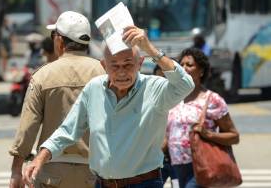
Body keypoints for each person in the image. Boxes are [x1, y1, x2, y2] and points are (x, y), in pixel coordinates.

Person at [23, 25, 195, 188]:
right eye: (115, 65)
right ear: (104, 66)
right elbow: (68, 130)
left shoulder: (155, 88)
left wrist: (150, 49)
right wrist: (40, 158)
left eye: (128, 64)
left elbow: (185, 84)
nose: (121, 72)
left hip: (144, 183)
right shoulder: (94, 88)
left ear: (140, 63)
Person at [9, 11, 105, 188]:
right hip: (96, 171)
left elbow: (27, 127)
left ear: (59, 40)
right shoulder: (104, 73)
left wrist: (16, 171)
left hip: (51, 170)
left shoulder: (43, 76)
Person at [165, 48, 240, 188]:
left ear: (201, 71)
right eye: (181, 64)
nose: (184, 68)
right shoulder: (173, 97)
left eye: (190, 65)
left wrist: (208, 134)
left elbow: (234, 136)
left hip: (201, 165)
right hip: (176, 166)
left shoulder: (212, 99)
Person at [153, 64, 179, 188]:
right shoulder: (150, 101)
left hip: (179, 161)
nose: (164, 80)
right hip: (156, 161)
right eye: (160, 76)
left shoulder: (184, 99)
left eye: (167, 76)